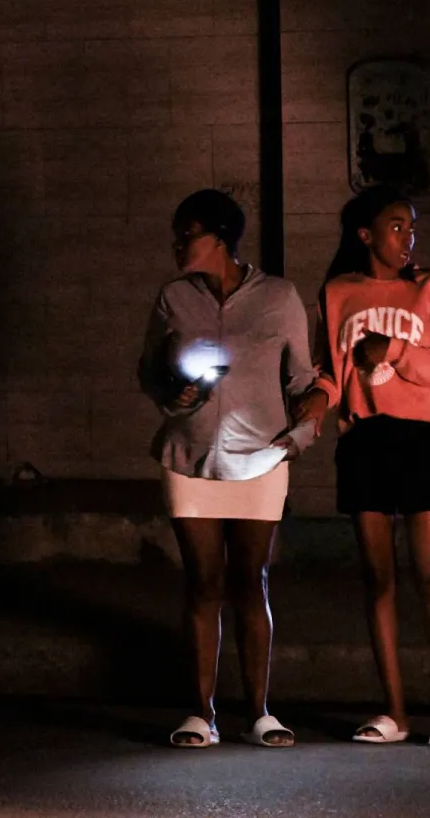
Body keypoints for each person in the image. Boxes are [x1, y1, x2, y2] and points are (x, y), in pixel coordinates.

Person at [292, 185, 430, 748]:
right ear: (365, 235)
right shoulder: (337, 292)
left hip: (419, 437)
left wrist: (394, 351)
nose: (407, 238)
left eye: (411, 228)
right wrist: (319, 398)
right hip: (364, 440)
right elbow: (330, 368)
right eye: (397, 227)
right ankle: (393, 711)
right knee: (378, 578)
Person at [138, 189, 317, 749]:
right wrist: (173, 392)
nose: (177, 245)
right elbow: (148, 370)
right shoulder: (173, 298)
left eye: (187, 234)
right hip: (189, 457)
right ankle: (201, 714)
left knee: (250, 581)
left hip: (259, 457)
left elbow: (304, 378)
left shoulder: (279, 296)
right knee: (203, 582)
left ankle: (260, 712)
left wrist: (302, 433)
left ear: (220, 238)